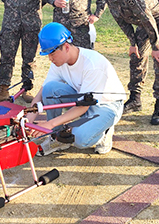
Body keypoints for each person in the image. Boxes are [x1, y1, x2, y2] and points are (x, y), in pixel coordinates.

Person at [89, 0, 159, 126]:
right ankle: (135, 99)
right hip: (145, 23)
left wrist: (156, 47)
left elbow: (149, 21)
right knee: (136, 56)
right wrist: (133, 43)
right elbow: (122, 22)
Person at [26, 22, 125, 155]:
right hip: (83, 99)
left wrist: (50, 124)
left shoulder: (93, 64)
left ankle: (105, 130)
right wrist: (28, 120)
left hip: (107, 105)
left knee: (79, 139)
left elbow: (83, 107)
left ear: (66, 47)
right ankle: (57, 138)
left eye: (52, 54)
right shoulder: (58, 63)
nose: (50, 59)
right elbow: (41, 94)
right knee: (49, 89)